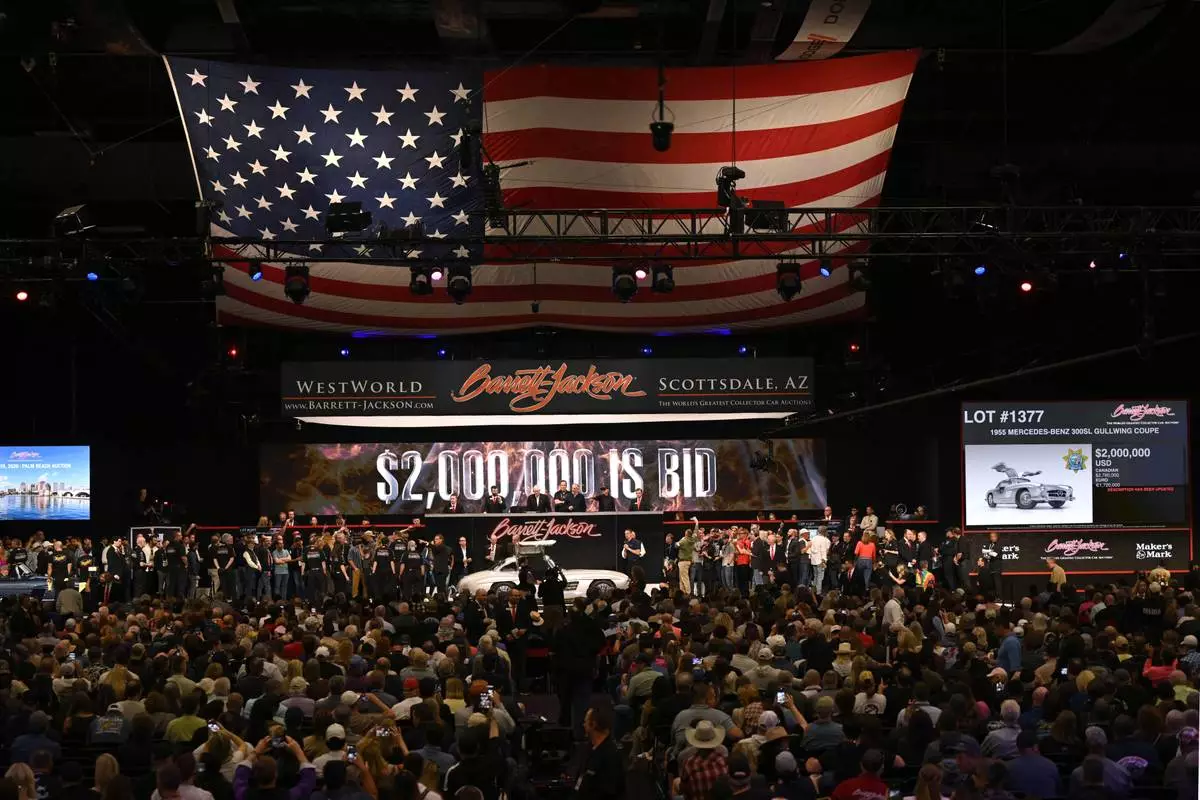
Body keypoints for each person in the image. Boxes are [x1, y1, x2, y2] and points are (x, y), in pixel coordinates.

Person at [574, 703, 623, 800]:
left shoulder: (610, 755)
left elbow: (608, 792)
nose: (583, 725)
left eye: (585, 722)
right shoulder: (589, 748)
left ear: (593, 724)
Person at [1005, 730, 1062, 798]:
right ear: (1035, 747)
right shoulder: (1051, 765)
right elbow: (1059, 790)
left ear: (1018, 747)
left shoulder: (1008, 767)